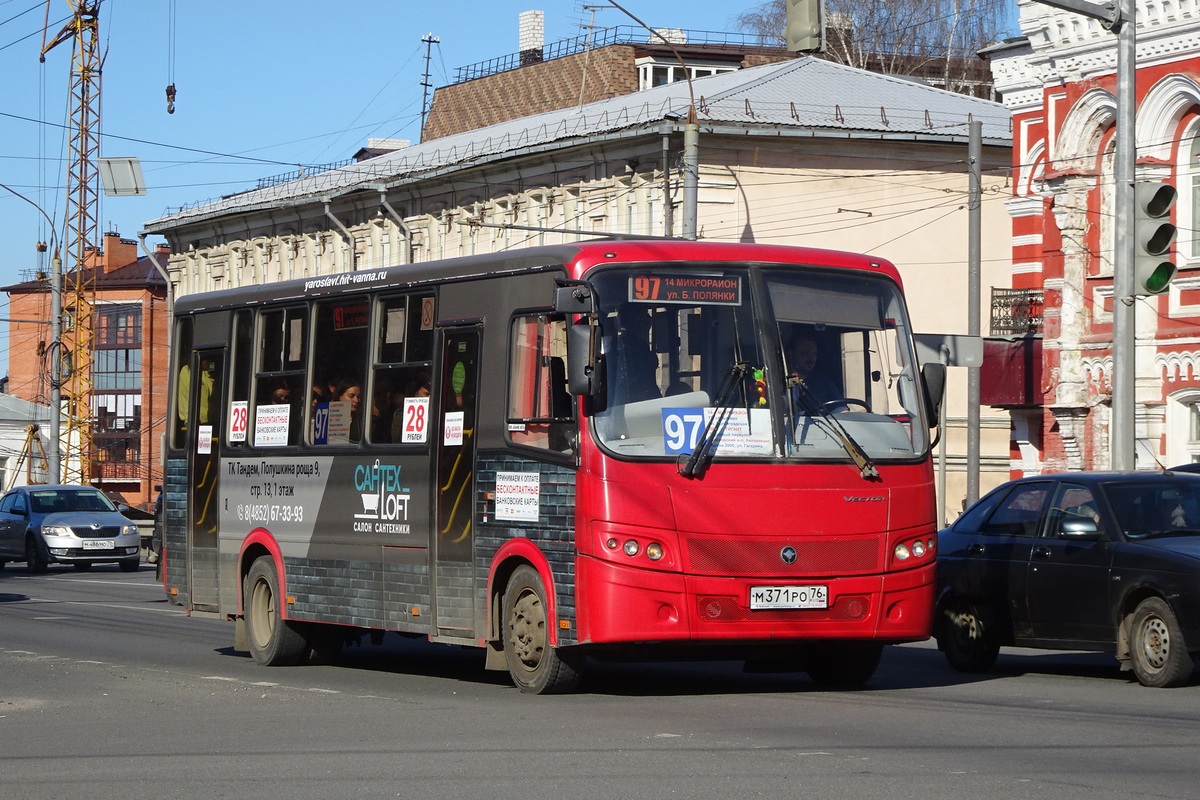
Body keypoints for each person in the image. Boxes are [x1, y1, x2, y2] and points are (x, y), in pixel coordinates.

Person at [786, 332, 841, 411]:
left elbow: (841, 411)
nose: (811, 359)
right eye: (805, 353)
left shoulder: (824, 383)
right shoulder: (780, 384)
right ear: (791, 354)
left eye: (814, 354)